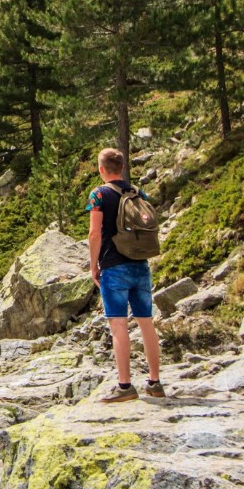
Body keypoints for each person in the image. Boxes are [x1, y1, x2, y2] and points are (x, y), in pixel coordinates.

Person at [86, 147, 163, 402]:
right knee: (146, 322)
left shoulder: (98, 194)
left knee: (118, 325)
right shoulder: (137, 192)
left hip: (113, 265)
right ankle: (155, 382)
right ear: (121, 168)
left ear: (101, 169)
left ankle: (125, 385)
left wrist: (93, 264)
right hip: (140, 264)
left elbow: (95, 234)